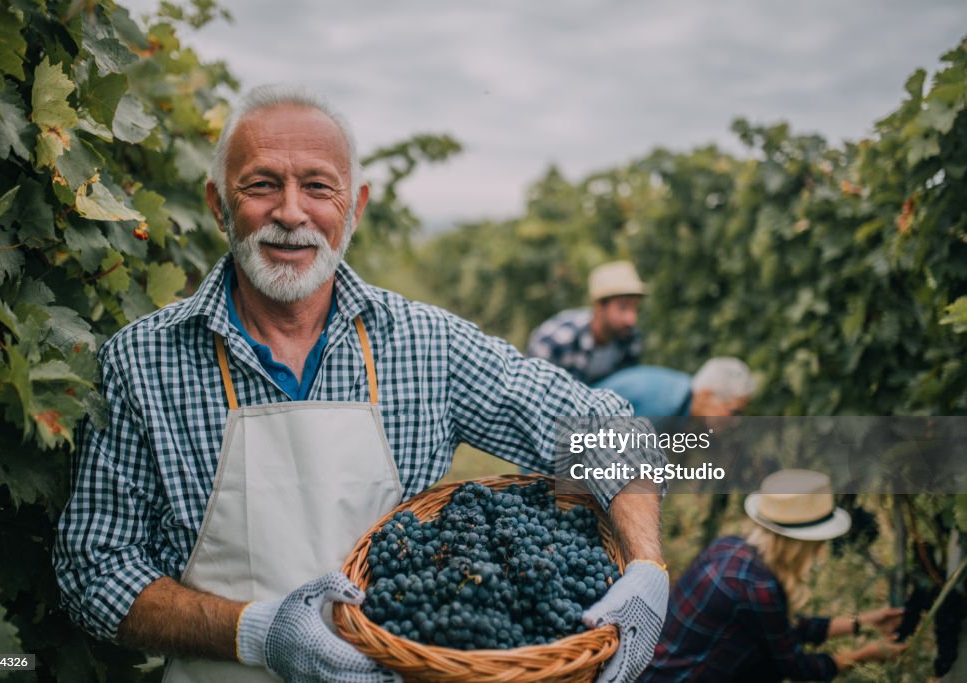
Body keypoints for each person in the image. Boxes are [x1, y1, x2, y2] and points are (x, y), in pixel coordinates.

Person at [52, 85, 671, 683]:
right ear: (218, 204)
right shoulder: (141, 362)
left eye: (318, 187)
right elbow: (95, 572)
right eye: (262, 185)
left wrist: (648, 568)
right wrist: (257, 633)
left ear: (356, 207)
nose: (291, 213)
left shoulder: (429, 345)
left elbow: (605, 425)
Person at [637, 469, 907, 682]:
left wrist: (862, 623)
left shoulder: (729, 547)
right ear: (803, 544)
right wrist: (866, 655)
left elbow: (779, 627)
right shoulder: (758, 586)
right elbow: (795, 665)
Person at [527, 260, 645, 384]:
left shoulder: (630, 339)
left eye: (635, 308)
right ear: (599, 306)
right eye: (623, 308)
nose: (631, 319)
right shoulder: (557, 339)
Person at [594, 357, 755, 419]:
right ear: (706, 396)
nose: (736, 422)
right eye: (734, 412)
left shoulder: (682, 395)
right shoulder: (663, 407)